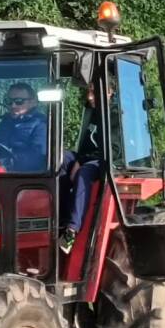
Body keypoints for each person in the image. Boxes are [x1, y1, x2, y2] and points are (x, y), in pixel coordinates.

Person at [60, 82, 114, 254]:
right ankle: (59, 214)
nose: (89, 97)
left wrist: (81, 161)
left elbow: (112, 151)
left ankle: (71, 230)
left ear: (109, 92)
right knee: (59, 158)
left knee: (84, 173)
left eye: (94, 92)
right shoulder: (92, 111)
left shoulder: (116, 116)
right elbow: (84, 146)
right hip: (87, 158)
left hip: (106, 162)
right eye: (89, 92)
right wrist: (77, 159)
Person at [0, 82, 47, 172]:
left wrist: (2, 163)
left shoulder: (41, 124)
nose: (13, 106)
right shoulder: (5, 123)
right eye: (9, 101)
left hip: (27, 178)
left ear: (33, 102)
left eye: (19, 101)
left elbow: (36, 157)